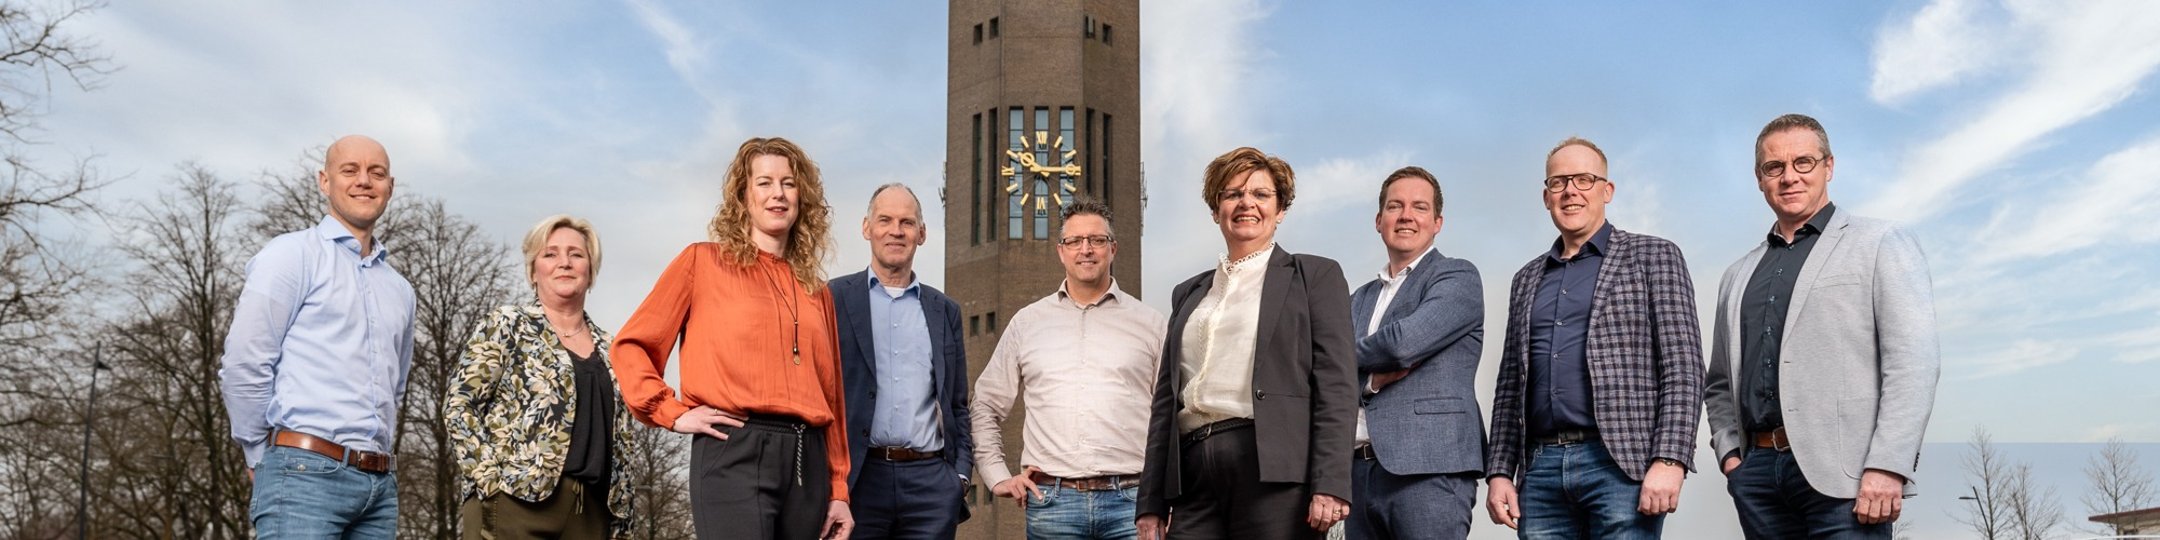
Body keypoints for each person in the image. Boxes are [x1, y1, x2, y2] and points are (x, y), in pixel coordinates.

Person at [1705, 114, 1940, 539]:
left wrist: (1889, 465)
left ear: (1828, 166)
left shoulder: (1881, 242)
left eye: (1804, 163)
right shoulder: (1737, 275)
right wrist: (1731, 458)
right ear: (1760, 178)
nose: (1789, 177)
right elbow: (1720, 381)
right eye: (1774, 167)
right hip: (1757, 478)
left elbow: (1913, 364)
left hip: (1848, 481)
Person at [611, 137, 854, 540]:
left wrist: (839, 490)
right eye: (764, 182)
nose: (777, 193)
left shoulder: (817, 291)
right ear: (743, 195)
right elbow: (632, 345)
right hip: (732, 447)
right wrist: (671, 411)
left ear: (803, 197)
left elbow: (833, 399)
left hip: (805, 461)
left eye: (789, 183)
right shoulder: (702, 263)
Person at [1483, 137, 1704, 539]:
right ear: (1546, 196)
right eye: (1559, 182)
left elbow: (1683, 368)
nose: (1571, 191)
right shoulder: (1526, 279)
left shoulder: (1654, 256)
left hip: (1620, 465)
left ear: (1607, 190)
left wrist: (1670, 460)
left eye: (1584, 179)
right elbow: (1510, 384)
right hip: (1541, 470)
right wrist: (1499, 471)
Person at [1136, 147, 1357, 540]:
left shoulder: (1314, 276)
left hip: (1273, 470)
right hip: (1192, 477)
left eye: (1260, 194)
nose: (1246, 203)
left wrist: (1331, 481)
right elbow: (1165, 402)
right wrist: (1150, 502)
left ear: (1281, 209)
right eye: (1232, 193)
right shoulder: (1189, 293)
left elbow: (1337, 385)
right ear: (1215, 209)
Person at [219, 134, 416, 536]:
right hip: (301, 475)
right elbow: (244, 362)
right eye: (350, 170)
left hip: (379, 487)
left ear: (389, 188)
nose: (364, 180)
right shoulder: (291, 255)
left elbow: (395, 387)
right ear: (324, 182)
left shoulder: (401, 290)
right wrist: (261, 454)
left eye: (376, 173)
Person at [972, 199, 1166, 540]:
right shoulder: (1027, 323)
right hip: (1053, 505)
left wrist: (1166, 496)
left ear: (1113, 248)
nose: (1086, 250)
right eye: (1075, 241)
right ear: (1061, 251)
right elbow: (985, 404)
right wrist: (996, 475)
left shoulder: (1150, 324)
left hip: (1133, 505)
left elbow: (1171, 416)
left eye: (1097, 240)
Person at [446, 215, 638, 538]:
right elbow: (459, 405)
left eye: (576, 254)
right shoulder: (507, 325)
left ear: (590, 270)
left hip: (591, 515)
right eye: (550, 254)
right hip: (514, 506)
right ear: (534, 271)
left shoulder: (614, 348)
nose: (564, 262)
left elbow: (623, 443)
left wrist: (624, 520)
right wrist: (490, 482)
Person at [1345, 167, 1485, 540]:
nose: (1406, 215)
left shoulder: (1457, 277)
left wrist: (1341, 358)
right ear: (1379, 221)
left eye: (1419, 207)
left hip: (1428, 471)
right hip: (1357, 475)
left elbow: (1401, 343)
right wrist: (1371, 380)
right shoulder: (1357, 300)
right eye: (1395, 206)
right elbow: (1322, 372)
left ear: (1437, 222)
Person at [830, 183, 972, 539]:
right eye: (885, 220)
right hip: (859, 479)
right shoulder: (832, 299)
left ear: (921, 234)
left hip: (930, 485)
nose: (896, 231)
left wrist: (960, 475)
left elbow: (957, 402)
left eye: (907, 222)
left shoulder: (945, 311)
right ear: (867, 228)